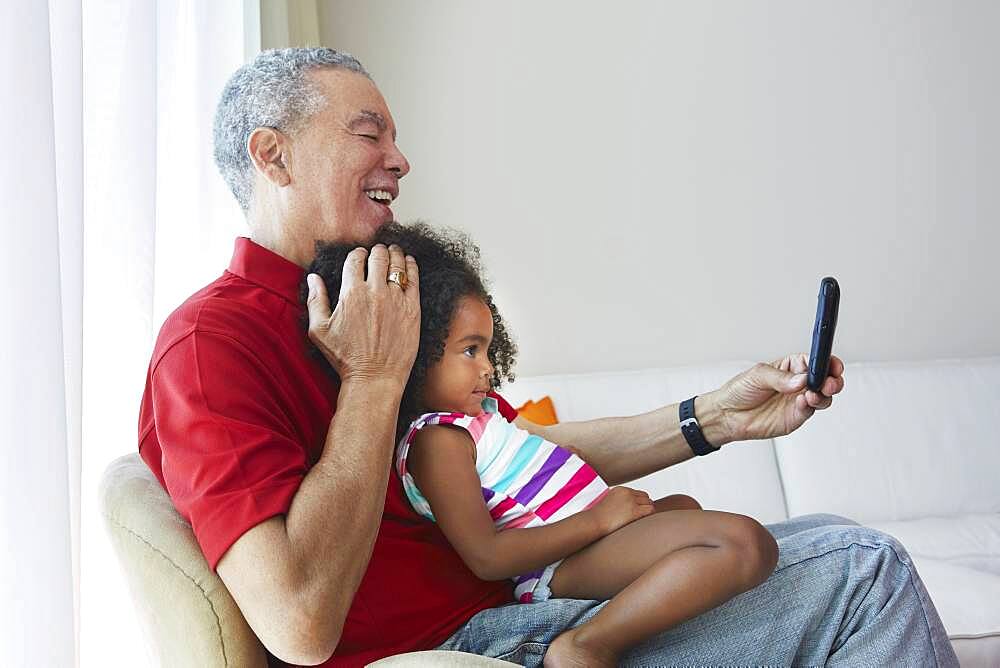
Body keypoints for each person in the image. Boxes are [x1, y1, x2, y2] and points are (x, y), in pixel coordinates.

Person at [137, 47, 959, 667]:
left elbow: (490, 456)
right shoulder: (213, 347)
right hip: (475, 644)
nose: (399, 158)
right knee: (862, 569)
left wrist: (711, 419)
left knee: (831, 534)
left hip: (516, 603)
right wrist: (374, 381)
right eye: (368, 133)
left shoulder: (367, 295)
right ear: (272, 155)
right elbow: (298, 623)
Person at [306, 223, 782, 668]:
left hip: (588, 536)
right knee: (745, 542)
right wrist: (599, 519)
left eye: (489, 350)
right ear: (417, 353)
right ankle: (587, 644)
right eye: (469, 351)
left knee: (685, 507)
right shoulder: (436, 441)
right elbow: (487, 557)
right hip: (557, 565)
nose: (488, 367)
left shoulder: (481, 417)